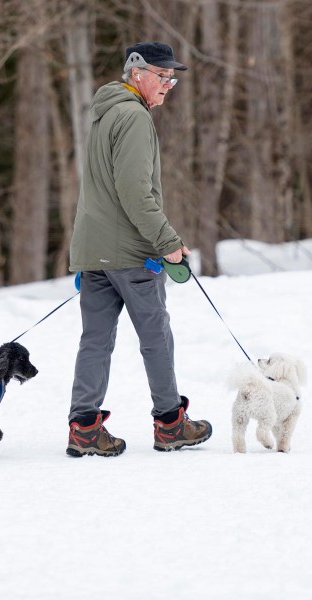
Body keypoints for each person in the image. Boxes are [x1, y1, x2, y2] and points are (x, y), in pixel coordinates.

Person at [66, 41, 212, 457]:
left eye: (172, 78)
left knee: (95, 340)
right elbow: (135, 193)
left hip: (95, 249)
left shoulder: (106, 112)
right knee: (156, 337)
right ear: (136, 73)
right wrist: (168, 242)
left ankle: (84, 428)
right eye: (162, 75)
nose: (169, 83)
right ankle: (170, 424)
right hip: (131, 252)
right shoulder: (133, 117)